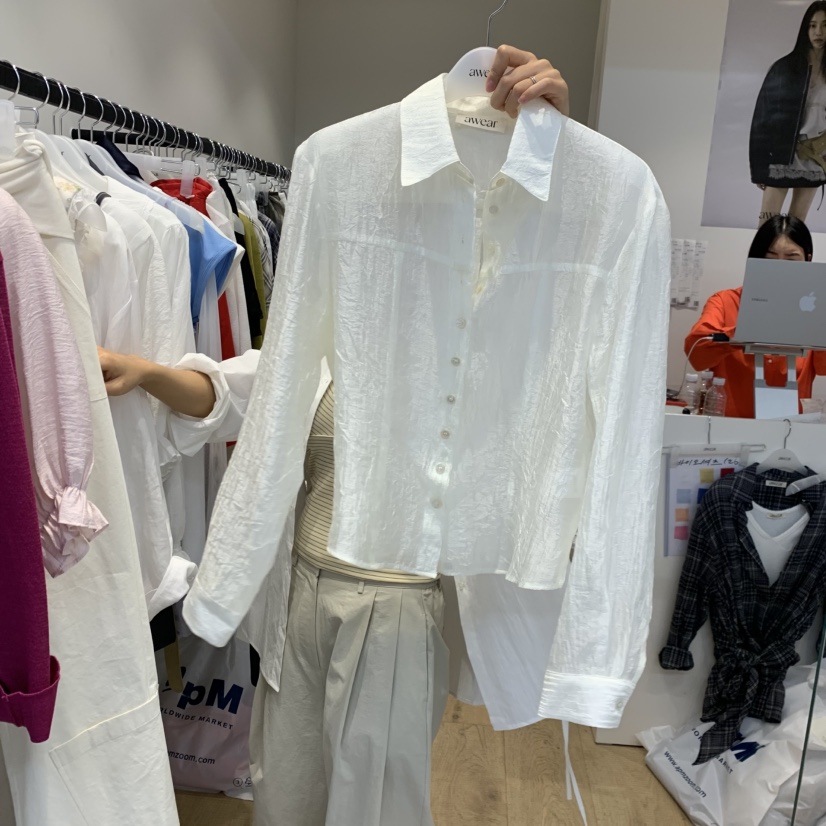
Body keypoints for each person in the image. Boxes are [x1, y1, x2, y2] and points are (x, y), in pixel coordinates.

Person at [97, 45, 569, 826]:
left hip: (392, 606)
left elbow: (536, 319)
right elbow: (230, 395)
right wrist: (147, 372)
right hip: (297, 600)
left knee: (374, 804)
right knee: (284, 790)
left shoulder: (468, 365)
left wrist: (552, 144)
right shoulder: (327, 343)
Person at [685, 214, 825, 418]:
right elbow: (696, 353)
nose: (781, 268)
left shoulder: (815, 308)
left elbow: (823, 368)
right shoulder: (725, 301)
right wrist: (743, 331)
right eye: (770, 259)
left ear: (808, 259)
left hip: (789, 428)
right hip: (729, 425)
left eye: (792, 259)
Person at [751, 1, 826, 226]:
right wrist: (759, 168)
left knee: (797, 227)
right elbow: (762, 119)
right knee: (766, 226)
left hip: (814, 158)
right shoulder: (783, 68)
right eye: (812, 25)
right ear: (805, 29)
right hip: (781, 155)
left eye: (825, 25)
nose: (819, 32)